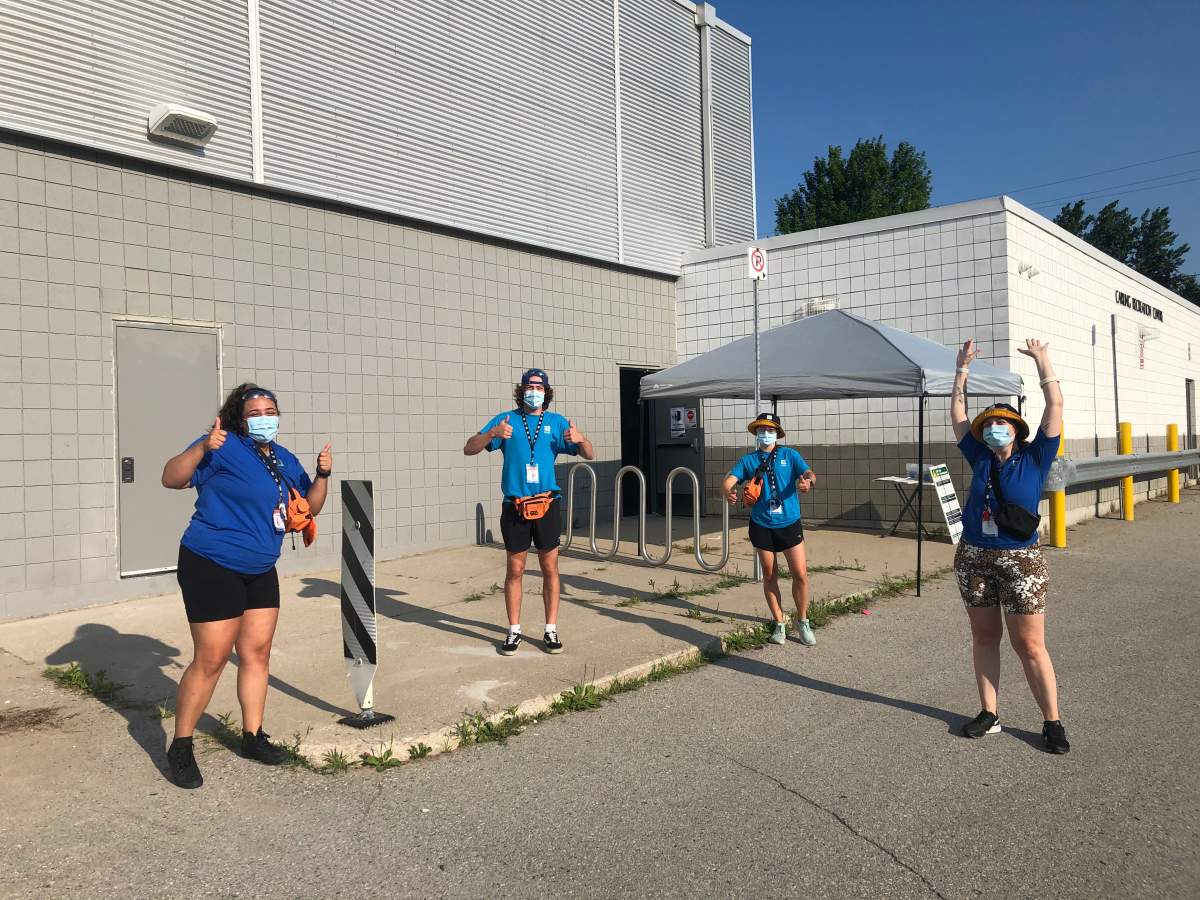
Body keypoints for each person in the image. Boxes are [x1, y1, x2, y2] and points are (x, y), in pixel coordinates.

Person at [159, 384, 333, 787]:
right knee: (212, 659)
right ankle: (181, 747)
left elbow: (312, 504)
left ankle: (253, 736)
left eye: (270, 410)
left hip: (260, 568)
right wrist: (203, 446)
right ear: (239, 417)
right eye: (255, 412)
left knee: (257, 652)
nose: (264, 418)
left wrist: (323, 474)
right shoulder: (221, 445)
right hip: (211, 563)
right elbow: (171, 478)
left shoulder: (282, 457)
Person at [950, 338, 1069, 754]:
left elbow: (1054, 408)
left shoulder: (1036, 455)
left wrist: (1042, 361)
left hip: (1021, 559)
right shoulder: (979, 455)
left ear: (1016, 430)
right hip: (974, 555)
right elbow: (959, 416)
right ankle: (990, 712)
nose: (993, 428)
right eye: (989, 425)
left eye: (1002, 423)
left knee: (1030, 644)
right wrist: (961, 369)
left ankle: (1052, 721)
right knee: (984, 636)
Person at [464, 369, 594, 655]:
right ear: (521, 390)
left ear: (546, 391)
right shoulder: (505, 420)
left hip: (547, 504)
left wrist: (581, 438)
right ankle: (514, 631)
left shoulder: (556, 422)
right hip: (516, 505)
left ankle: (550, 629)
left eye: (539, 386)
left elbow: (589, 454)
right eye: (529, 386)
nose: (533, 390)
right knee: (515, 569)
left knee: (550, 568)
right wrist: (491, 434)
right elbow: (469, 448)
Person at [723, 413, 817, 646]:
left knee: (800, 573)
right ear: (756, 434)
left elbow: (809, 473)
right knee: (769, 574)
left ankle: (802, 620)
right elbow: (729, 480)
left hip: (789, 523)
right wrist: (727, 490)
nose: (765, 434)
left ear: (778, 433)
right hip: (761, 525)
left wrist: (808, 482)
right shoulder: (748, 460)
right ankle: (779, 622)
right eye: (761, 430)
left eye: (770, 430)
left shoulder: (789, 455)